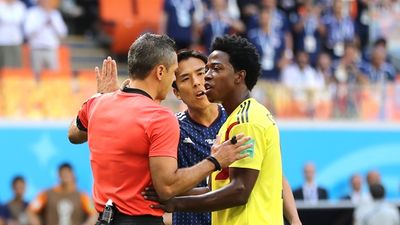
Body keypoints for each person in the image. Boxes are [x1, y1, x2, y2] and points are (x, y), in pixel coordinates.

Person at [95, 49, 301, 225]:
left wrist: (294, 219)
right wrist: (110, 100)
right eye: (185, 78)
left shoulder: (237, 121)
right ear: (175, 91)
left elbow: (273, 175)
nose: (197, 82)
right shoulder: (170, 125)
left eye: (202, 73)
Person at [67, 33, 252, 225]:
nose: (196, 81)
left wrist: (101, 96)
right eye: (175, 73)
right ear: (160, 72)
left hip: (104, 218)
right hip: (141, 220)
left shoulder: (97, 103)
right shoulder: (160, 118)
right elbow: (167, 187)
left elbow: (73, 135)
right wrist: (216, 160)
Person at [143, 35, 285, 225]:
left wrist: (177, 204)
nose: (206, 77)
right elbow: (217, 187)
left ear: (239, 76)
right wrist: (169, 194)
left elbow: (240, 190)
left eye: (215, 69)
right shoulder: (234, 120)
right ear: (176, 91)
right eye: (207, 69)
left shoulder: (246, 121)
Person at [27, 163, 97, 225]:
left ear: (73, 175)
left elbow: (94, 214)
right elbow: (31, 211)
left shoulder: (82, 196)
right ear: (58, 175)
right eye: (63, 173)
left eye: (67, 173)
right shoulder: (46, 194)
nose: (65, 176)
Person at [24, 0, 68, 80]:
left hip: (51, 49)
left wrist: (52, 23)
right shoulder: (33, 13)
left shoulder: (55, 14)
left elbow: (63, 33)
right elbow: (28, 32)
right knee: (36, 76)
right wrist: (42, 22)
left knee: (53, 75)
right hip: (36, 49)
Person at [0, 0, 26, 68]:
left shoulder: (20, 5)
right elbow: (4, 18)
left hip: (16, 41)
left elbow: (18, 19)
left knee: (16, 67)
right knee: (3, 67)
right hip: (2, 41)